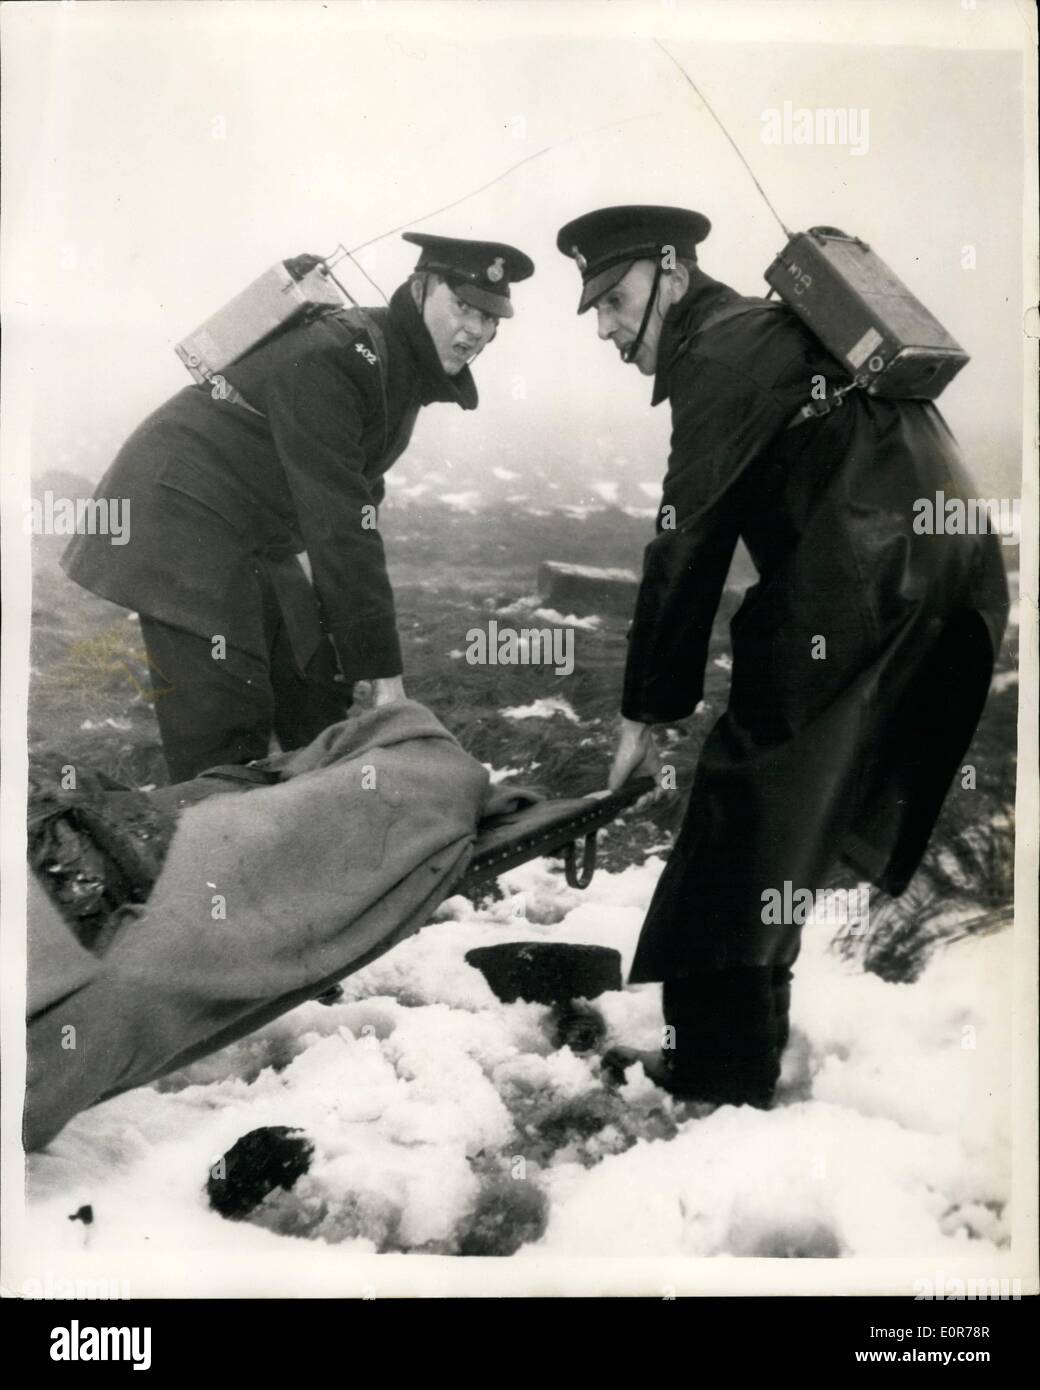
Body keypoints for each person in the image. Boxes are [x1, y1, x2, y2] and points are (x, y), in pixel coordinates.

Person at [556, 205, 1009, 1108]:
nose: (605, 327)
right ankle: (737, 1055)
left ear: (672, 271)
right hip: (941, 577)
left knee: (741, 819)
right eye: (596, 309)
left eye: (615, 300)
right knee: (776, 819)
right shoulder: (765, 332)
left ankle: (721, 1080)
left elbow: (685, 544)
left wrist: (646, 713)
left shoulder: (716, 360)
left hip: (869, 584)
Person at [62, 234, 534, 780]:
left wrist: (352, 645)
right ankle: (208, 850)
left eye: (491, 317)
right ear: (421, 288)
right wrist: (383, 674)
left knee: (316, 692)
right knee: (226, 720)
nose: (477, 330)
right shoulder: (339, 354)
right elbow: (339, 523)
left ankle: (315, 839)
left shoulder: (396, 366)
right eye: (464, 307)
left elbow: (356, 500)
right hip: (179, 514)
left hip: (252, 531)